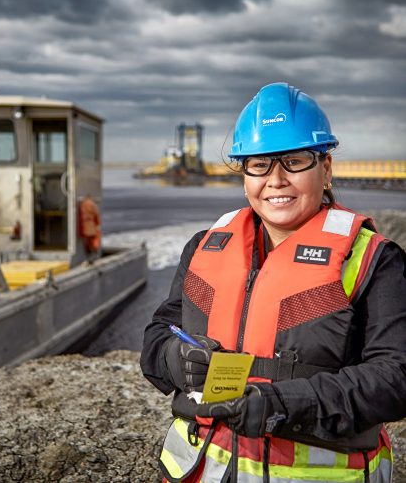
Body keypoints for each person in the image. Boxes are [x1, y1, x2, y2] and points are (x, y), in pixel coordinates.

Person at [140, 82, 406, 483]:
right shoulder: (203, 248)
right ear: (245, 173)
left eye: (294, 161)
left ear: (326, 168)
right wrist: (174, 360)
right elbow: (158, 336)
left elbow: (396, 377)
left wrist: (285, 403)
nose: (276, 180)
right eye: (260, 164)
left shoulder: (373, 260)